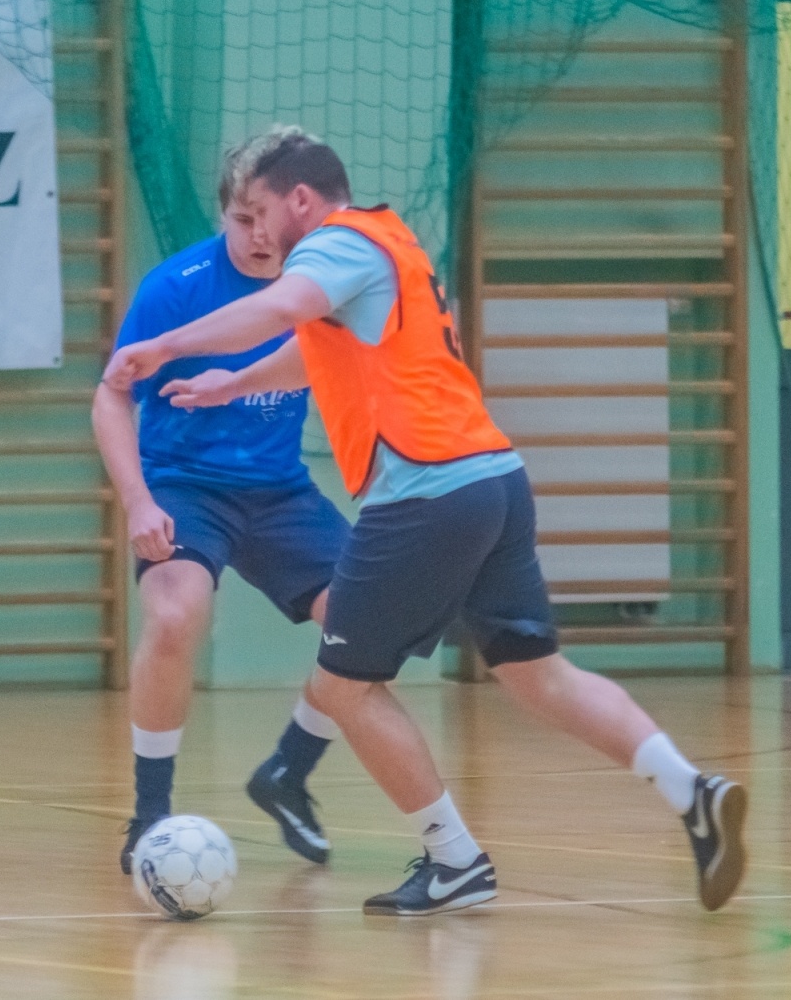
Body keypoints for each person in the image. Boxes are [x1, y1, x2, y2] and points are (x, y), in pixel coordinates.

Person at [104, 129, 748, 916]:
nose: (259, 232)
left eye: (263, 211)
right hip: (494, 480)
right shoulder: (389, 239)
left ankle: (455, 861)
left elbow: (278, 308)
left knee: (345, 689)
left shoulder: (333, 246)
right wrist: (231, 385)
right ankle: (694, 792)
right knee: (538, 674)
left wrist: (162, 346)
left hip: (426, 494)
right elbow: (317, 351)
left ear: (300, 199)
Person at [94, 129, 351, 873]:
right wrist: (138, 501)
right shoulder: (176, 288)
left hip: (279, 489)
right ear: (224, 216)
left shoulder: (317, 285)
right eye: (241, 220)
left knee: (371, 626)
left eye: (265, 218)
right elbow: (109, 400)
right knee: (175, 613)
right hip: (184, 482)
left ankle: (288, 773)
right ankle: (150, 812)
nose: (257, 235)